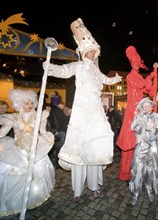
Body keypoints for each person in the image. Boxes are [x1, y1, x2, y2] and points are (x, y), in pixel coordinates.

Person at [43, 18, 122, 203]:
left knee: (94, 152)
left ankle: (94, 186)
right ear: (84, 52)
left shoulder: (96, 71)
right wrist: (50, 68)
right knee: (78, 154)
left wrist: (116, 79)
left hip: (95, 113)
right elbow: (64, 71)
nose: (93, 53)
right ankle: (77, 191)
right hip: (81, 113)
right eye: (90, 51)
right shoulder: (78, 66)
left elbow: (106, 80)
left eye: (95, 51)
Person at [0, 89, 55, 219]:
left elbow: (42, 131)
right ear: (19, 104)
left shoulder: (39, 116)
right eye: (26, 103)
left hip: (35, 152)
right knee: (10, 180)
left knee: (34, 180)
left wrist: (48, 138)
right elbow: (1, 134)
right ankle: (14, 204)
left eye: (31, 103)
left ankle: (28, 201)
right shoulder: (13, 118)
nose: (29, 106)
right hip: (18, 153)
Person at [116, 45, 157, 181]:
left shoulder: (139, 76)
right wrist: (150, 76)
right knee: (129, 145)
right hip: (132, 114)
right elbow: (140, 85)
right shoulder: (130, 77)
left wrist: (153, 78)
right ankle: (125, 173)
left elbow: (148, 89)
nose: (135, 64)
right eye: (133, 61)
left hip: (141, 113)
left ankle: (138, 171)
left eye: (137, 62)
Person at [129, 97, 158, 206]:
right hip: (141, 145)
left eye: (149, 106)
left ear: (152, 107)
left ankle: (149, 188)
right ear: (142, 108)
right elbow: (132, 127)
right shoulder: (138, 116)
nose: (147, 108)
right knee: (138, 169)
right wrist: (141, 120)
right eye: (145, 106)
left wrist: (156, 129)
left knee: (151, 169)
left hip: (152, 146)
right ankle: (136, 192)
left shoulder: (157, 116)